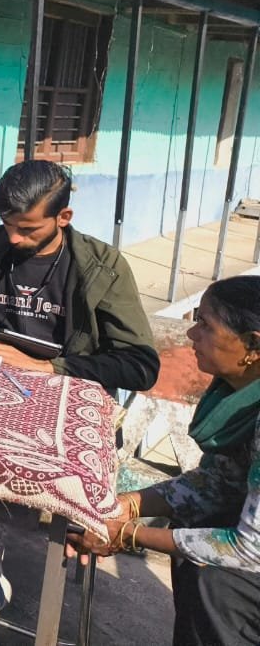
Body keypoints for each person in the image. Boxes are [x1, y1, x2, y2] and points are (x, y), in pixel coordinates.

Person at [0, 159, 160, 646]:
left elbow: (141, 364)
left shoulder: (102, 268)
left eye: (27, 228)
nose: (13, 238)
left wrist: (47, 367)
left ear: (64, 218)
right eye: (7, 225)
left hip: (54, 405)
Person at [68, 275, 260, 646]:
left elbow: (248, 549)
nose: (191, 335)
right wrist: (128, 506)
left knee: (217, 581)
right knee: (194, 525)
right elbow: (218, 483)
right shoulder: (237, 392)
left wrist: (127, 534)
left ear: (252, 345)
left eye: (205, 324)